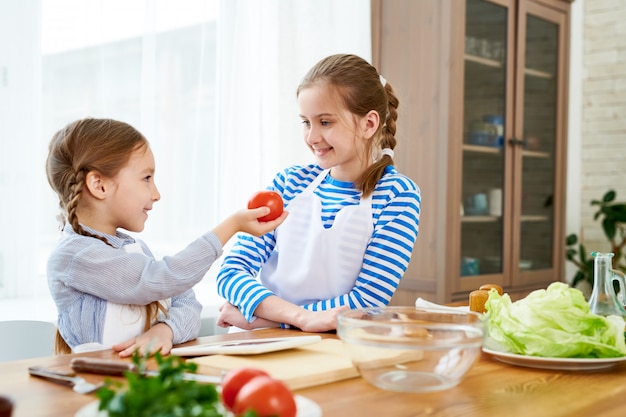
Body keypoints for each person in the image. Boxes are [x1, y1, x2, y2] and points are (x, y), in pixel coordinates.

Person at [45, 118, 287, 357]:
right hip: (101, 384)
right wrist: (231, 227)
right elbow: (161, 278)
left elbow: (188, 304)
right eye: (146, 178)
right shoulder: (74, 256)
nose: (157, 194)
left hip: (149, 380)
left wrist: (166, 330)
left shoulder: (135, 249)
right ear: (99, 185)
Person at [216, 53, 421, 332]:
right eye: (306, 122)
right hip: (256, 341)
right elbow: (231, 272)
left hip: (324, 347)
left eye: (325, 122)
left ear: (369, 124)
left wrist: (266, 317)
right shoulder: (289, 183)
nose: (312, 137)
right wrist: (301, 318)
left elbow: (364, 304)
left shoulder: (397, 195)